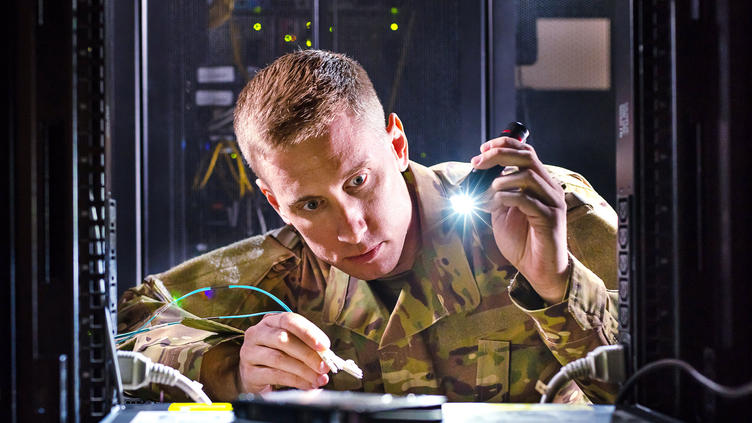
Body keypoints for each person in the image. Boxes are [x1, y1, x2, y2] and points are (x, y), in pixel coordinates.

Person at [118, 49, 619, 404]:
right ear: (275, 202)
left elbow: (671, 384)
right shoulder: (279, 272)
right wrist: (234, 372)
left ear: (397, 144)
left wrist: (558, 286)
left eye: (358, 180)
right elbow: (129, 328)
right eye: (312, 204)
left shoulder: (543, 217)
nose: (352, 229)